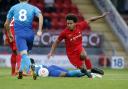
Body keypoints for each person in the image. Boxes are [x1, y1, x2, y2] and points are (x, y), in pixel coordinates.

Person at [48, 13, 109, 78]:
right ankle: (89, 72)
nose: (68, 25)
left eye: (70, 23)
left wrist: (101, 16)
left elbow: (90, 20)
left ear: (75, 23)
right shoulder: (64, 32)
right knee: (82, 70)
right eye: (67, 23)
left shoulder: (79, 26)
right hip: (72, 54)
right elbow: (56, 42)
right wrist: (51, 52)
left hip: (80, 48)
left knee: (84, 55)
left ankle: (90, 71)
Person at [4, 0, 43, 80]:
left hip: (20, 35)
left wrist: (10, 34)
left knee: (23, 54)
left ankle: (31, 70)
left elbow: (6, 24)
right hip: (30, 34)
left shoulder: (14, 8)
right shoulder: (33, 7)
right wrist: (39, 30)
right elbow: (40, 16)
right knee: (26, 54)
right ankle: (20, 72)